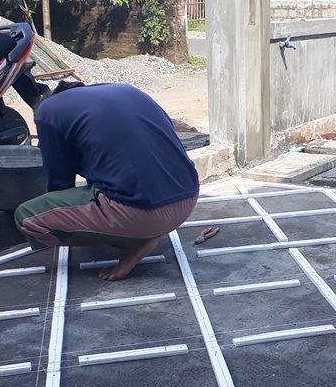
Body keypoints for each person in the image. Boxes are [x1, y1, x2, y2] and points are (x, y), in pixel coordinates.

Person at [14, 81, 200, 281]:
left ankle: (133, 242)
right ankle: (136, 232)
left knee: (27, 218)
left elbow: (59, 182)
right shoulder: (126, 91)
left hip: (142, 214)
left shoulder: (47, 111)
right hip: (188, 197)